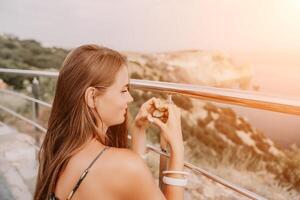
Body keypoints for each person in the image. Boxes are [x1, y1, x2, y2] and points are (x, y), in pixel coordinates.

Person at [34, 44, 186, 200]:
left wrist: (138, 130)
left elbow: (127, 185)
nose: (130, 98)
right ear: (92, 97)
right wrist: (177, 147)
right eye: (123, 90)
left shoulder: (57, 150)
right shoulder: (124, 167)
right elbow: (128, 174)